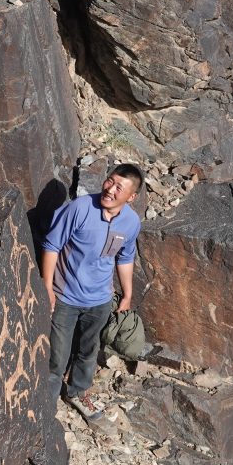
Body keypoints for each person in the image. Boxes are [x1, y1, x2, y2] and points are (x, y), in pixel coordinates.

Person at [41, 163, 143, 420]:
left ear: (131, 197)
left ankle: (77, 392)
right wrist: (47, 288)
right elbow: (52, 245)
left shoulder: (131, 222)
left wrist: (127, 295)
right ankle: (45, 404)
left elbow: (125, 258)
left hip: (100, 299)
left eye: (119, 187)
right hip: (65, 297)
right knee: (57, 355)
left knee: (88, 351)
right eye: (110, 181)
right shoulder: (80, 208)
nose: (110, 188)